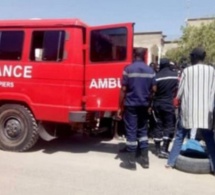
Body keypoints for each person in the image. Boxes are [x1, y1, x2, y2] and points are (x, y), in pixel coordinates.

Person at [166, 47, 215, 175]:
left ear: (194, 57)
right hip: (206, 112)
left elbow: (181, 90)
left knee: (180, 136)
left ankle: (170, 163)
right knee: (209, 139)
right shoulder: (212, 70)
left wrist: (176, 99)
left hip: (189, 111)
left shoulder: (187, 71)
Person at [117, 48, 156, 170]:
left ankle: (131, 162)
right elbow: (154, 90)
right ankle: (145, 161)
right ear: (144, 56)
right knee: (143, 131)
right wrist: (149, 103)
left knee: (131, 131)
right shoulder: (150, 70)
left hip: (131, 105)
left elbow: (123, 90)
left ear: (134, 55)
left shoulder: (128, 69)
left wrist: (120, 107)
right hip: (144, 105)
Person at [153, 58, 178, 158]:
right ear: (168, 65)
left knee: (158, 125)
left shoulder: (156, 76)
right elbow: (177, 90)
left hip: (157, 104)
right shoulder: (175, 76)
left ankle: (157, 149)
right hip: (168, 104)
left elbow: (153, 90)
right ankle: (164, 149)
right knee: (169, 126)